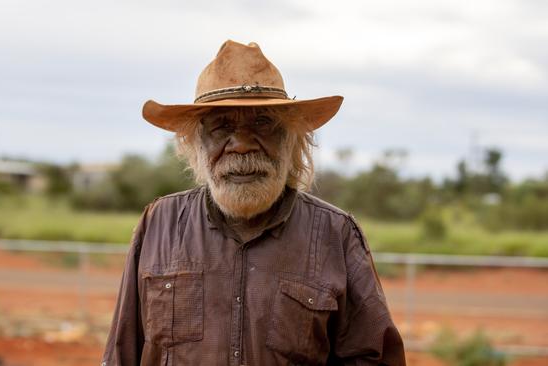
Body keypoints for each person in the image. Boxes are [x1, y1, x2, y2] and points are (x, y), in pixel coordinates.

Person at [101, 40, 406, 366]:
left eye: (263, 124)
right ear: (197, 143)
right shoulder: (159, 223)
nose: (242, 146)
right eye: (222, 126)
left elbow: (371, 357)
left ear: (292, 140)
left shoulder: (336, 233)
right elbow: (123, 353)